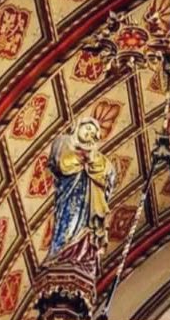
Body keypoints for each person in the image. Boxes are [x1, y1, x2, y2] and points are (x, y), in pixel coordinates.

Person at [46, 116, 117, 271]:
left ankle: (84, 258)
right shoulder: (65, 142)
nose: (89, 132)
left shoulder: (100, 158)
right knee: (69, 224)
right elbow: (59, 162)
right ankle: (63, 254)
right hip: (70, 196)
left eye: (93, 130)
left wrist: (91, 160)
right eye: (87, 128)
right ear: (78, 127)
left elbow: (109, 176)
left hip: (90, 204)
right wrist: (80, 157)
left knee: (88, 233)